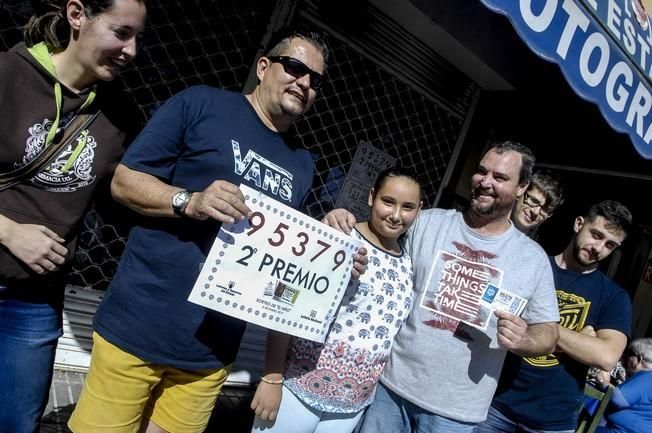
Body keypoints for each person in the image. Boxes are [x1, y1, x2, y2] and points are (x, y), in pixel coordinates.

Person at [68, 26, 363, 433]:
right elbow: (124, 182)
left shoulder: (302, 163)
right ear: (263, 67)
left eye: (316, 79)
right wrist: (190, 201)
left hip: (211, 354)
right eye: (294, 67)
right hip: (139, 329)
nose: (305, 82)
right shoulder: (201, 103)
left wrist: (332, 247)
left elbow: (283, 254)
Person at [325, 140, 560, 432]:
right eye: (481, 171)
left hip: (455, 414)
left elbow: (549, 333)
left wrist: (526, 340)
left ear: (522, 187)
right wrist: (341, 225)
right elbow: (376, 242)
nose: (485, 182)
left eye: (499, 178)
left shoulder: (533, 259)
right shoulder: (428, 223)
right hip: (389, 390)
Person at [0, 1, 146, 432]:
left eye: (138, 37)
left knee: (17, 422)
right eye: (121, 33)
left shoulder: (120, 115)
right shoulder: (8, 75)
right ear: (77, 15)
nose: (132, 50)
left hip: (34, 300)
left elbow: (121, 202)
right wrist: (7, 231)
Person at [249, 167, 423, 433]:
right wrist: (272, 377)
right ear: (371, 197)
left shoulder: (408, 263)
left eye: (407, 207)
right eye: (388, 201)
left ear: (419, 210)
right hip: (296, 389)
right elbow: (283, 298)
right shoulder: (339, 237)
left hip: (351, 407)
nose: (396, 215)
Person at [479, 200, 633, 433]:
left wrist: (539, 327)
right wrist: (582, 339)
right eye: (596, 235)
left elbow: (606, 356)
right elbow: (493, 313)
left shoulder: (614, 297)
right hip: (496, 404)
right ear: (579, 224)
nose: (598, 248)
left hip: (554, 422)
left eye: (610, 244)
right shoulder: (534, 265)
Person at [596, 338, 652, 433]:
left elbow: (619, 399)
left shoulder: (647, 377)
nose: (624, 360)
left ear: (639, 359)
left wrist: (604, 382)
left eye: (629, 355)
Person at [510, 169, 564, 238]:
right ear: (520, 191)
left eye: (545, 209)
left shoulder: (537, 247)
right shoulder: (492, 221)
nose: (535, 212)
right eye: (533, 201)